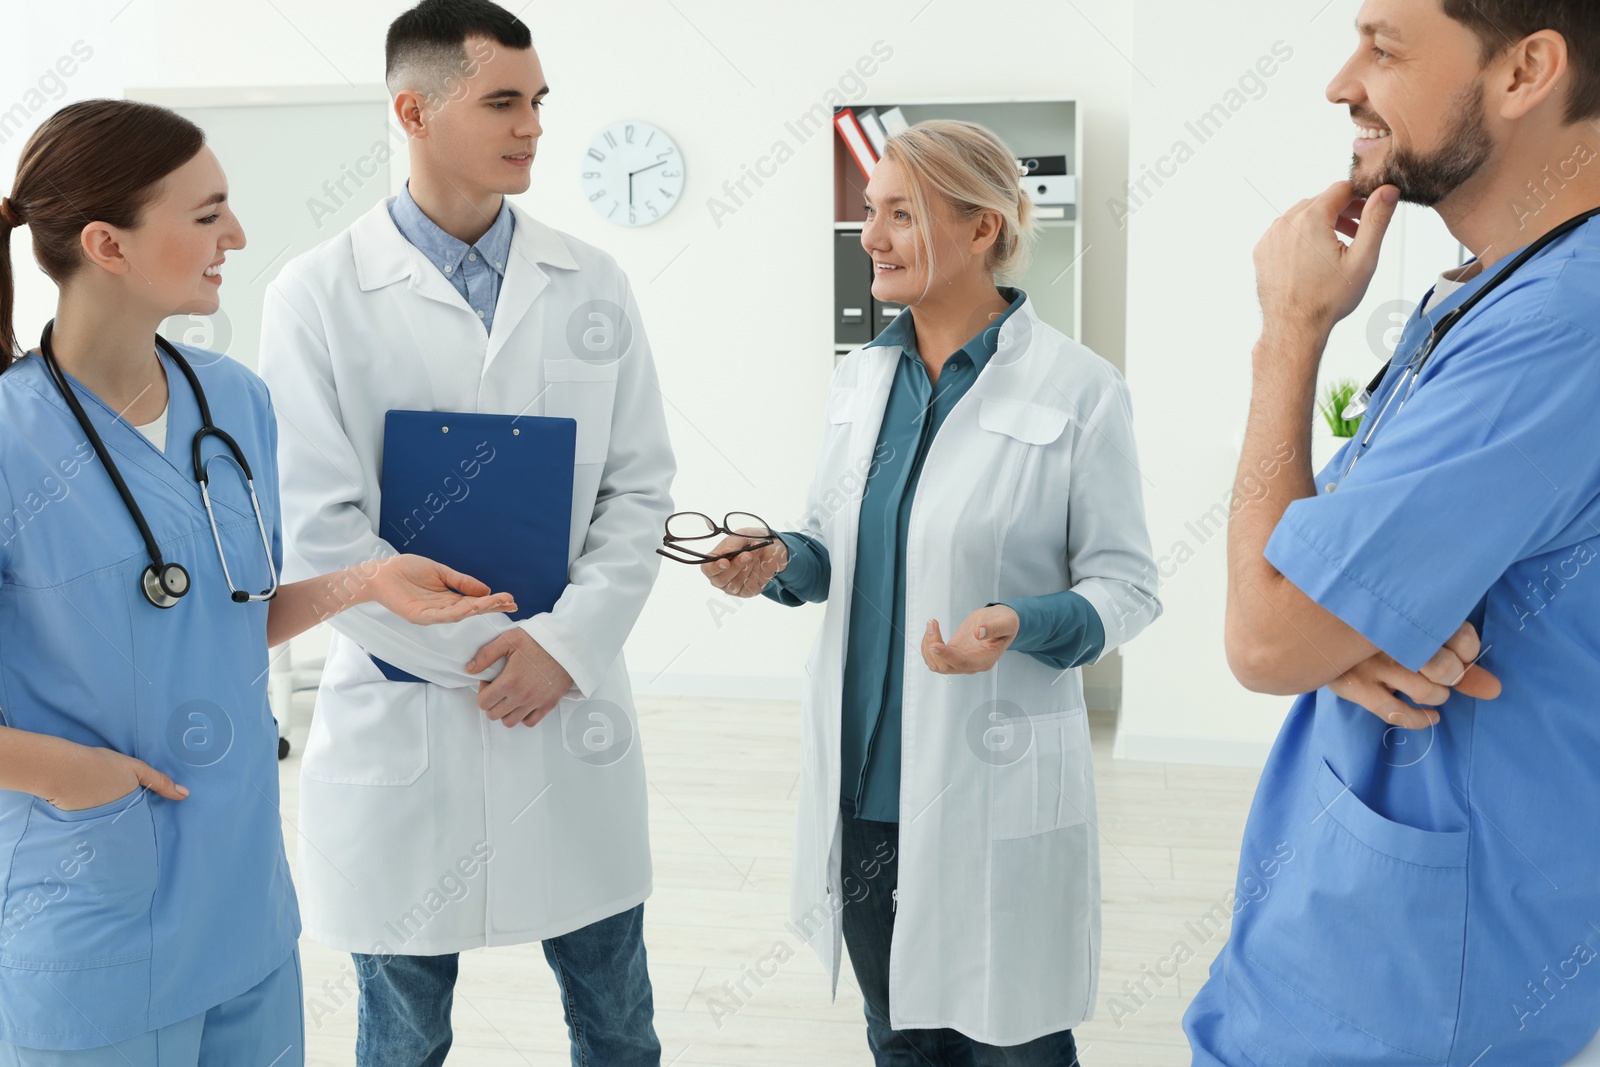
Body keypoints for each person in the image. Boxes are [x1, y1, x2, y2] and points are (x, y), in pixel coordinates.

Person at [0, 99, 514, 1066]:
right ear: (107, 243)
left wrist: (362, 582)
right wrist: (80, 780)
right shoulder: (8, 439)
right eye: (206, 214)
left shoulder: (231, 401)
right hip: (89, 915)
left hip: (242, 903)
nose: (235, 234)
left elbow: (216, 617)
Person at [256, 1, 675, 1064]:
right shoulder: (314, 293)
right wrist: (494, 659)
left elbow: (637, 493)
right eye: (502, 101)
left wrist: (562, 649)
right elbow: (320, 531)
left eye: (537, 101)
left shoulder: (594, 283)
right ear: (414, 109)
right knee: (401, 1036)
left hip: (569, 711)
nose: (531, 124)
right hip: (405, 721)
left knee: (619, 1024)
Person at [693, 120, 1162, 1064]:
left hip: (995, 773)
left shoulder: (1080, 389)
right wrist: (778, 556)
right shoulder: (860, 380)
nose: (870, 234)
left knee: (1015, 1040)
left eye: (901, 213)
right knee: (900, 1038)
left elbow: (1128, 586)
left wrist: (1024, 623)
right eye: (869, 211)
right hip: (866, 790)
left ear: (982, 227)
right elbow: (836, 543)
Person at [1184, 2, 1600, 1064]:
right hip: (1338, 958)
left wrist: (1287, 334)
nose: (1340, 83)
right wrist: (1351, 626)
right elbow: (1314, 574)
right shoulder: (1485, 296)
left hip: (1410, 1000)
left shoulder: (1564, 320)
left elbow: (1268, 633)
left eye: (1382, 46)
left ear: (1526, 71)